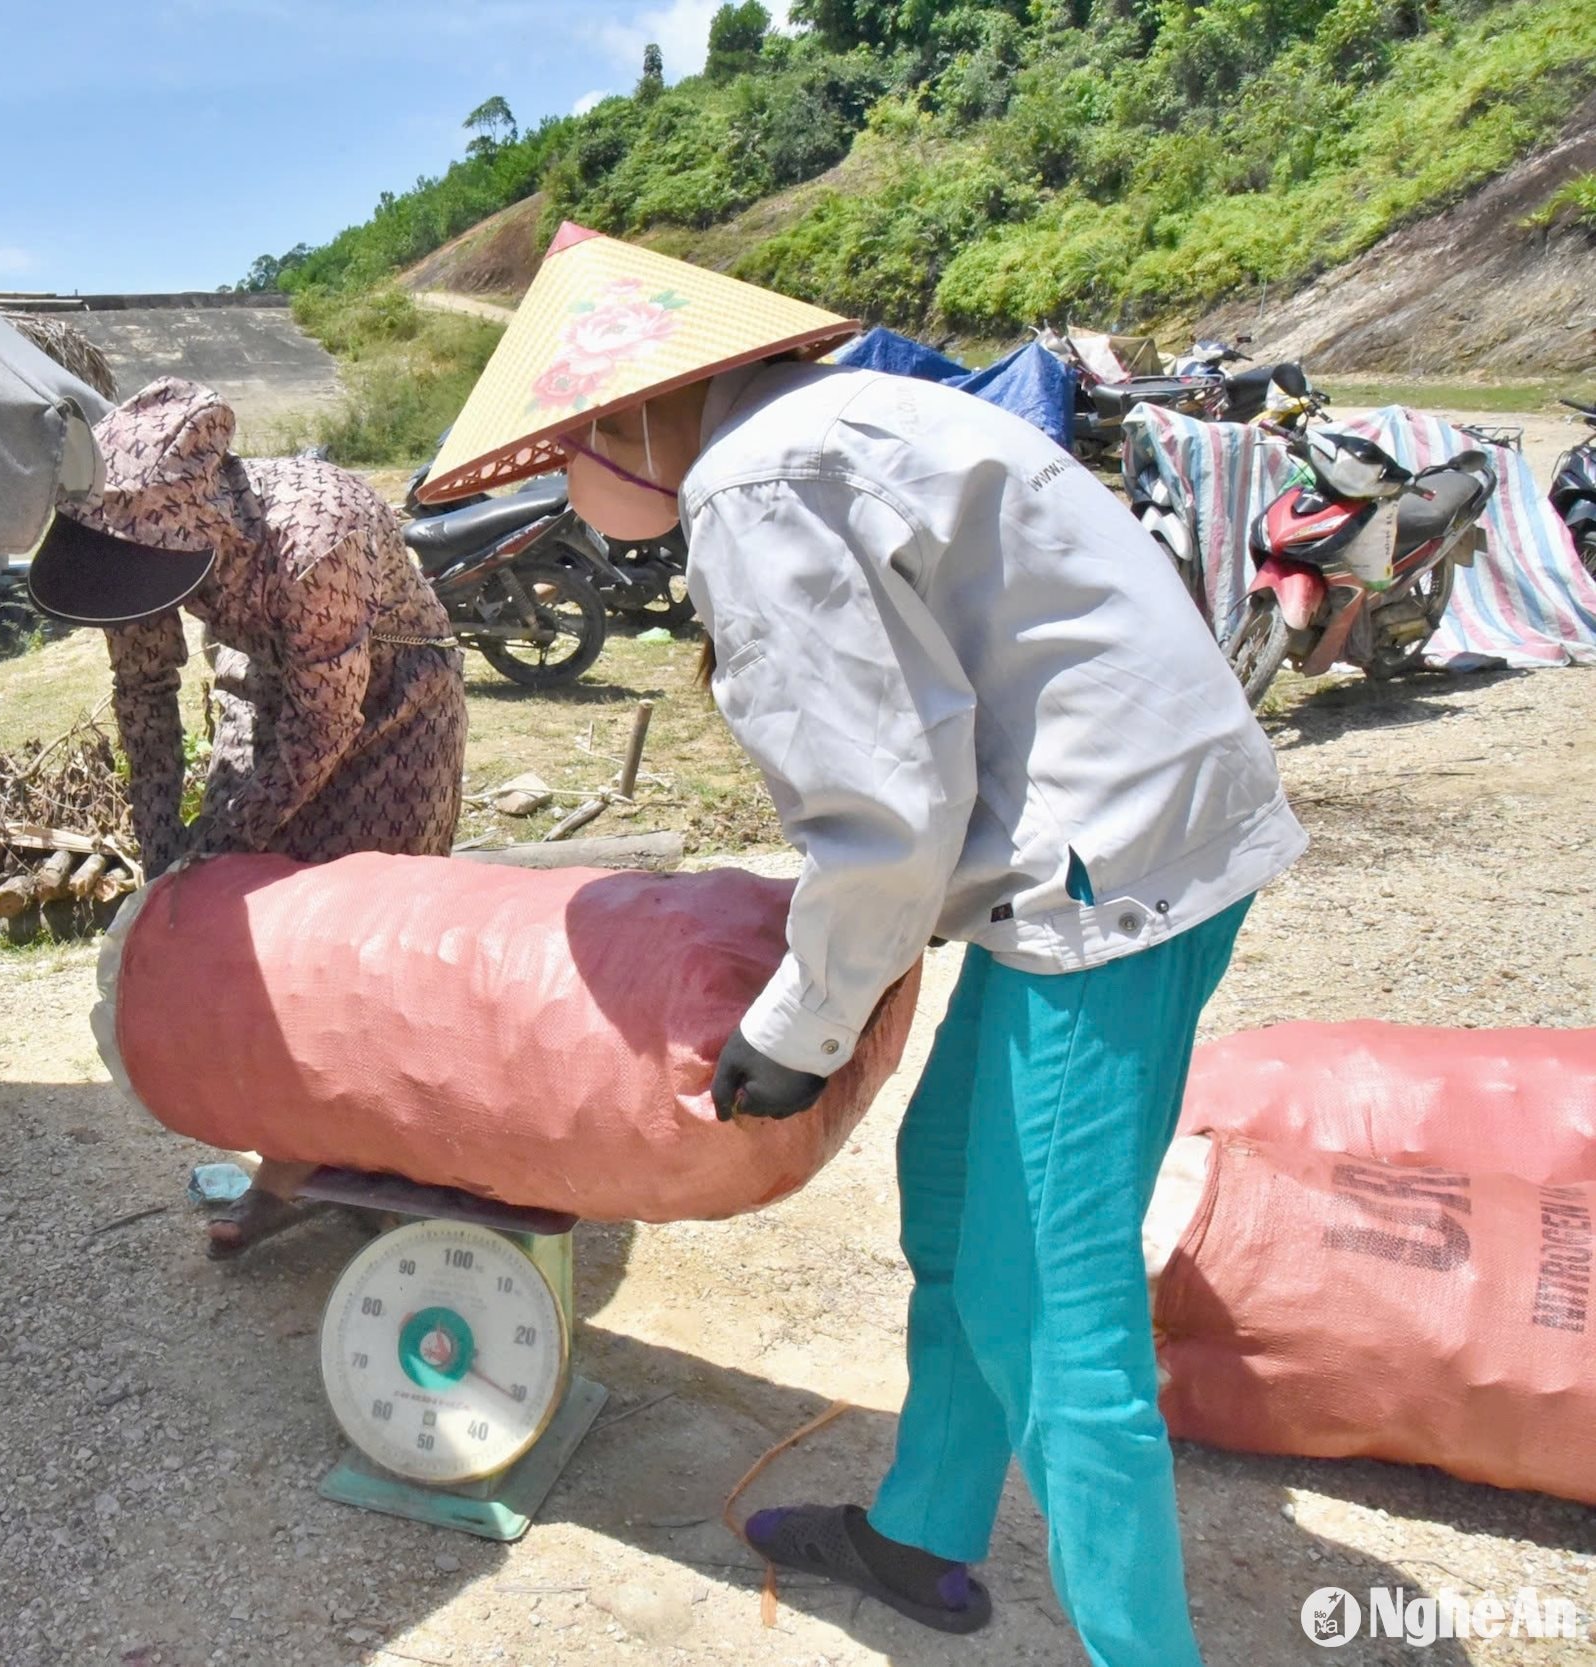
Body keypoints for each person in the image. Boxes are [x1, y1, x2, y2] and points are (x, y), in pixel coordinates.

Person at [418, 226, 1305, 1667]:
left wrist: (797, 1022)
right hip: (1135, 821)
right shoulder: (833, 412)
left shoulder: (752, 479)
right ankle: (926, 1528)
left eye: (566, 447)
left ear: (634, 411)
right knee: (955, 1188)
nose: (565, 482)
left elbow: (886, 809)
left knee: (1054, 1297)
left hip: (1103, 873)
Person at [29, 377, 469, 1258]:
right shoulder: (135, 541)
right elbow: (145, 694)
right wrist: (168, 860)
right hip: (267, 686)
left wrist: (223, 842)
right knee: (250, 934)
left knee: (360, 941)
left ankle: (385, 1155)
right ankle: (299, 1152)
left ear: (205, 529)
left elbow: (325, 725)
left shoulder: (316, 533)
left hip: (394, 705)